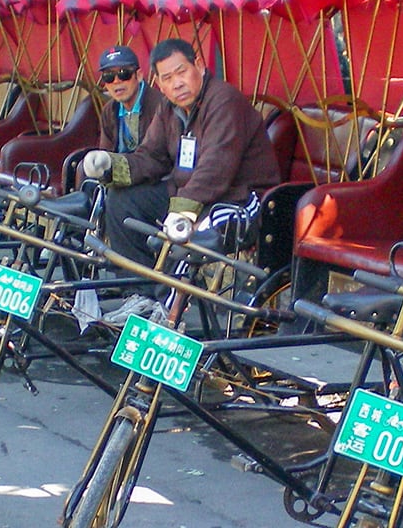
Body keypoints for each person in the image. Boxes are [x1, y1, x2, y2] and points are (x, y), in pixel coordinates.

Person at [83, 38, 280, 325]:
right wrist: (110, 166)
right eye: (167, 78)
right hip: (189, 193)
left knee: (188, 235)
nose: (177, 84)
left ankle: (168, 313)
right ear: (158, 84)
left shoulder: (224, 100)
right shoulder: (168, 108)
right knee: (122, 201)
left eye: (181, 72)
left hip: (237, 198)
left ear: (199, 67)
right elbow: (151, 156)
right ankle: (142, 293)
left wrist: (182, 209)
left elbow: (216, 166)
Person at [96, 45, 164, 154]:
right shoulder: (109, 110)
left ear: (139, 75)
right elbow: (105, 152)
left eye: (124, 74)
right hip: (120, 168)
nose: (116, 81)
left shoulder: (160, 106)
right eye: (109, 76)